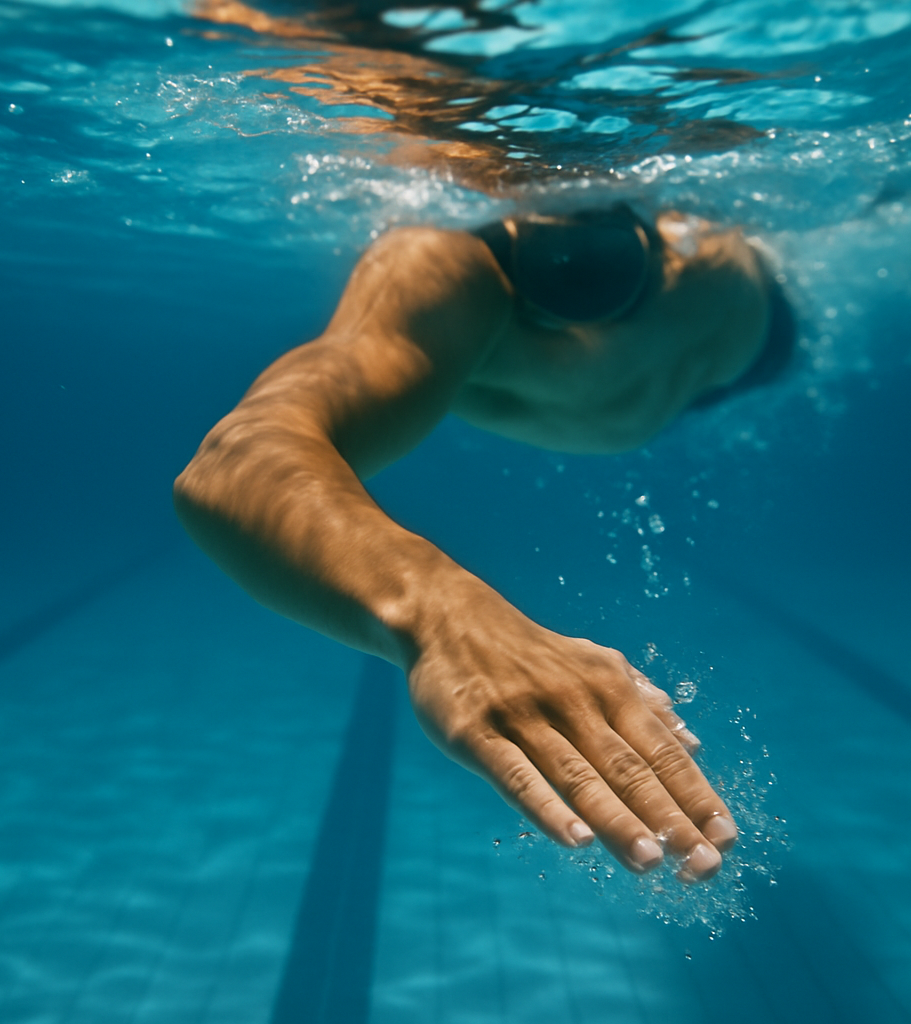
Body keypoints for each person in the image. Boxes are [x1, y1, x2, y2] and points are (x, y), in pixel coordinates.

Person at [174, 202, 794, 884]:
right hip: (725, 357)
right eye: (567, 262)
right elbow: (237, 457)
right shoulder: (442, 273)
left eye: (598, 259)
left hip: (763, 343)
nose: (569, 230)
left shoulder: (706, 244)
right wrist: (438, 610)